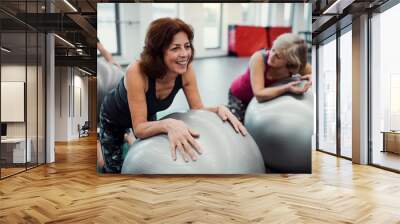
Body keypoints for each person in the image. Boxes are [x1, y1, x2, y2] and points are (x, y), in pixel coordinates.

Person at [99, 18, 246, 173]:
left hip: (145, 114)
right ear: (158, 52)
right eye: (175, 48)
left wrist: (218, 109)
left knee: (146, 158)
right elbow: (140, 128)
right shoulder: (136, 71)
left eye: (187, 46)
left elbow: (197, 109)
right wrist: (169, 123)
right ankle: (109, 150)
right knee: (113, 169)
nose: (184, 54)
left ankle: (127, 138)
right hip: (113, 117)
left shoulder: (186, 70)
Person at [227, 33, 312, 122]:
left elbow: (316, 72)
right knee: (239, 126)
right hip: (240, 96)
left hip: (264, 102)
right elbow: (259, 94)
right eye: (273, 50)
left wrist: (312, 77)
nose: (271, 56)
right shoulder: (259, 58)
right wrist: (286, 88)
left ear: (290, 62)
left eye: (278, 56)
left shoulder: (296, 66)